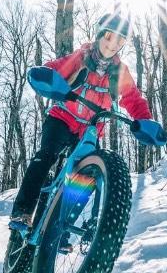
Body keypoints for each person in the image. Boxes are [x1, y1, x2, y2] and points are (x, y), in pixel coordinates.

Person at [9, 13, 153, 230]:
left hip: (90, 131)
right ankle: (23, 211)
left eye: (120, 40)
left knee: (83, 177)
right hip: (62, 119)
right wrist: (47, 76)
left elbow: (133, 98)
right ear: (98, 35)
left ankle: (60, 231)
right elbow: (57, 68)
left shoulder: (120, 71)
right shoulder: (81, 58)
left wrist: (145, 121)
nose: (113, 44)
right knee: (46, 156)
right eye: (109, 36)